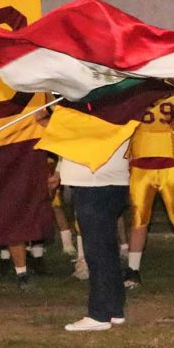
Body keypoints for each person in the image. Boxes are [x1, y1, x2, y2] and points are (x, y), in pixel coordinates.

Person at [122, 92, 174, 289]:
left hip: (167, 163)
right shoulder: (140, 92)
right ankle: (133, 269)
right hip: (147, 163)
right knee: (140, 219)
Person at [61, 140, 130, 332]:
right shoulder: (111, 111)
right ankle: (113, 307)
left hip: (95, 180)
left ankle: (99, 313)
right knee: (106, 247)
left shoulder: (95, 112)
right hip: (107, 179)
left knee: (97, 249)